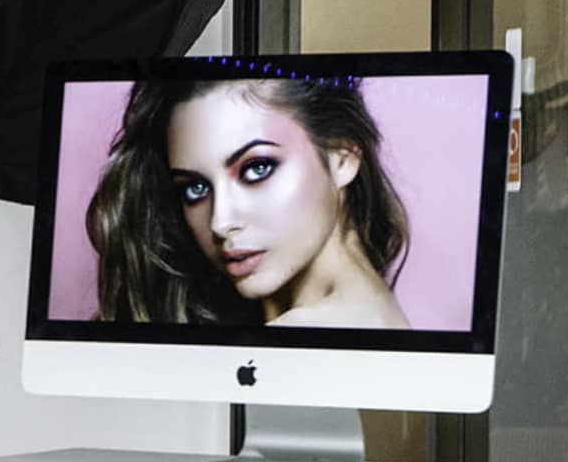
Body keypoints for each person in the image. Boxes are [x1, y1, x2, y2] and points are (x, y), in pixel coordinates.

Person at [87, 71, 411, 329]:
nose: (220, 222)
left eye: (257, 169)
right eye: (195, 188)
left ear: (342, 157)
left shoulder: (307, 336)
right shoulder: (368, 314)